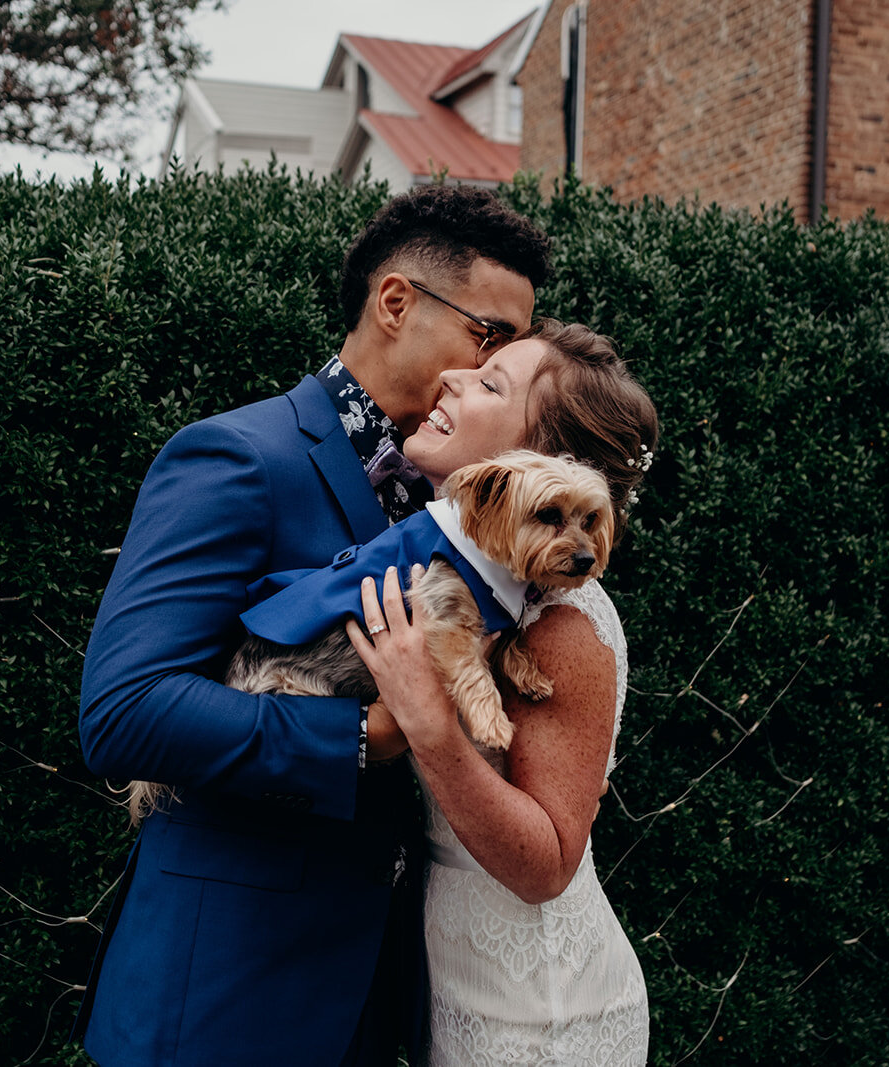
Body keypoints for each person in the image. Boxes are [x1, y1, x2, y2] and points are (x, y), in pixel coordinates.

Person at [72, 184, 551, 1067]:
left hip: (371, 1005)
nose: (500, 371)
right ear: (396, 302)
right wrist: (366, 733)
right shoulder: (237, 457)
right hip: (220, 999)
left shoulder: (461, 499)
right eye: (492, 338)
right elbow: (122, 711)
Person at [347, 319, 658, 1065]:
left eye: (491, 384)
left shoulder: (562, 622)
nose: (452, 378)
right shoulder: (479, 585)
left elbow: (546, 862)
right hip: (456, 975)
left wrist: (428, 724)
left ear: (539, 462)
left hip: (540, 1005)